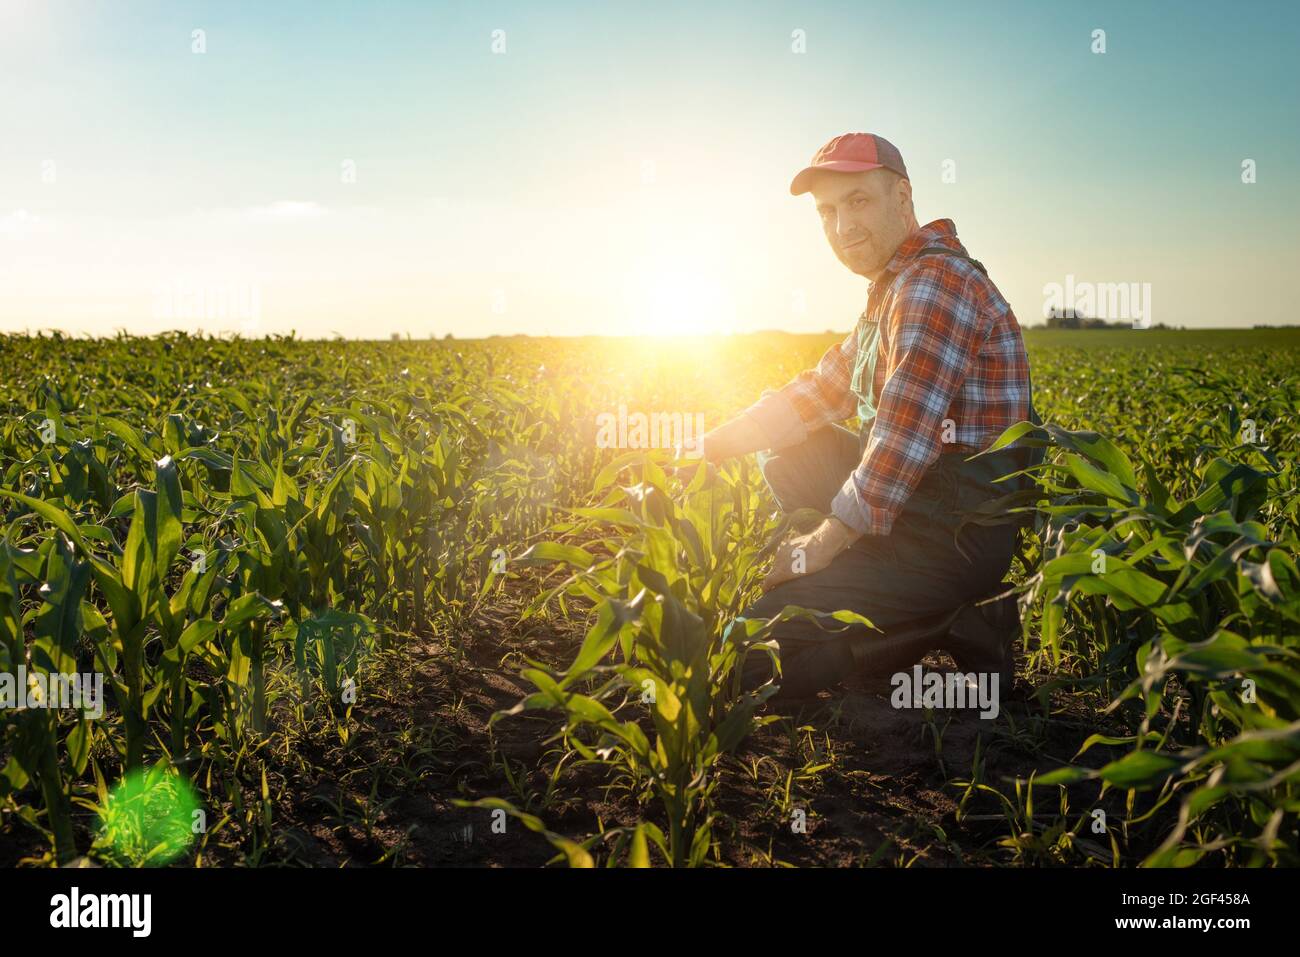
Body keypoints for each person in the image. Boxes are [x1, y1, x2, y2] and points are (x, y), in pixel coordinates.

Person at [702, 132, 1038, 699]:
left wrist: (819, 548)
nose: (842, 226)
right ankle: (885, 593)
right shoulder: (891, 287)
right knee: (794, 454)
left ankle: (947, 622)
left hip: (952, 535)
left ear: (902, 198)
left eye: (858, 201)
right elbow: (816, 393)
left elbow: (902, 436)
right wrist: (701, 448)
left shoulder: (935, 282)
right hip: (917, 507)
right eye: (827, 211)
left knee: (748, 655)